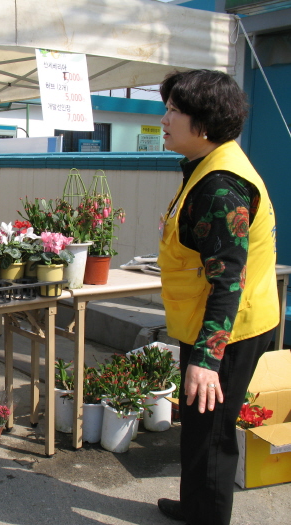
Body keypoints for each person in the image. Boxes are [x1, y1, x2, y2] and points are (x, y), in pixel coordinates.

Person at [156, 70, 278, 525]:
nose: (164, 118)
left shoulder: (220, 188)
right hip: (210, 323)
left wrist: (207, 361)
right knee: (198, 426)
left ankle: (206, 516)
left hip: (228, 331)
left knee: (212, 435)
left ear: (203, 125)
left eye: (174, 110)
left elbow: (229, 281)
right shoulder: (207, 166)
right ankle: (194, 507)